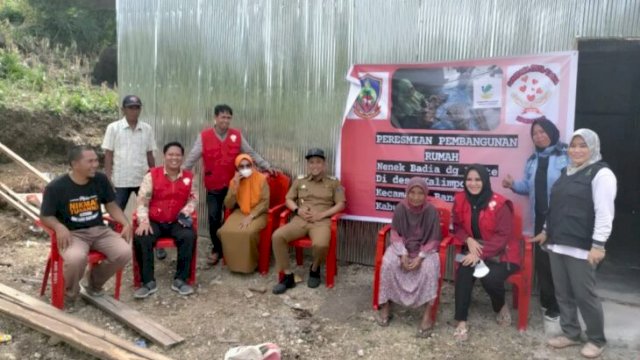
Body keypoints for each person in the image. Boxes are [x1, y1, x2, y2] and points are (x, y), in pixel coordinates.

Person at [532, 129, 616, 359]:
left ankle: (597, 339)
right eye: (573, 145)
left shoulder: (601, 174)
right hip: (558, 244)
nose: (576, 150)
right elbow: (555, 207)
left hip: (582, 247)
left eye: (582, 145)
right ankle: (571, 333)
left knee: (584, 295)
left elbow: (604, 213)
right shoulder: (565, 172)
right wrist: (545, 231)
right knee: (563, 293)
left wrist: (599, 245)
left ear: (593, 148)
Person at [39, 145, 132, 309]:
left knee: (124, 252)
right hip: (73, 234)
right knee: (76, 259)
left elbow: (111, 205)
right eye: (90, 161)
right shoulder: (56, 187)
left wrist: (126, 222)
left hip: (99, 231)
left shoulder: (100, 179)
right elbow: (45, 215)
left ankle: (93, 284)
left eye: (96, 160)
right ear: (75, 164)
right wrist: (59, 227)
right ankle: (70, 296)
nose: (95, 165)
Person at [184, 104, 274, 266]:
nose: (226, 120)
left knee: (236, 217)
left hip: (236, 185)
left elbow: (250, 153)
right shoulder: (204, 136)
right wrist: (181, 172)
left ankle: (236, 248)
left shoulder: (237, 135)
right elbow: (192, 157)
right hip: (214, 185)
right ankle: (217, 249)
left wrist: (265, 165)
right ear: (215, 118)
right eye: (223, 117)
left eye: (228, 117)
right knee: (213, 217)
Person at [502, 118, 568, 321]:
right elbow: (527, 188)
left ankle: (560, 305)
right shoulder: (533, 160)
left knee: (559, 262)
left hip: (561, 218)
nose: (539, 136)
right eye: (535, 134)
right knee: (543, 262)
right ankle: (547, 301)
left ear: (552, 132)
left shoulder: (565, 156)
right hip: (539, 219)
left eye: (542, 132)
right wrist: (513, 185)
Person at [451, 164, 520, 341]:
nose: (473, 184)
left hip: (501, 254)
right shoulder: (460, 200)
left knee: (488, 276)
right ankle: (461, 321)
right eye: (469, 179)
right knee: (464, 270)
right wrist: (468, 239)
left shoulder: (500, 204)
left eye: (477, 179)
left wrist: (479, 254)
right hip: (474, 249)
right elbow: (457, 226)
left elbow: (503, 236)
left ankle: (500, 306)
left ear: (485, 181)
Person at [271, 148, 345, 294]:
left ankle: (315, 268)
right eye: (311, 162)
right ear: (308, 165)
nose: (314, 165)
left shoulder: (333, 183)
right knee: (277, 236)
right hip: (300, 220)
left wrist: (323, 214)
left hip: (321, 221)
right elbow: (288, 199)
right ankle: (287, 276)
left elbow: (341, 204)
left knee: (321, 244)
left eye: (318, 162)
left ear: (324, 164)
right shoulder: (300, 180)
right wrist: (298, 210)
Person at [376, 177, 441, 337]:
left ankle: (427, 314)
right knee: (388, 262)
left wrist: (420, 257)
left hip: (425, 250)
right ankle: (385, 305)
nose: (416, 197)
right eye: (412, 192)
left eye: (420, 193)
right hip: (402, 247)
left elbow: (433, 238)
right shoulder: (400, 208)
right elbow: (396, 233)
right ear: (407, 192)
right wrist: (403, 253)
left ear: (426, 194)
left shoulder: (431, 211)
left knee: (429, 268)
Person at [132, 142, 198, 298]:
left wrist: (185, 212)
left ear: (182, 157)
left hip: (177, 220)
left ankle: (180, 280)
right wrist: (144, 220)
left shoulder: (189, 177)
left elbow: (193, 199)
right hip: (155, 220)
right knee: (142, 236)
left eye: (178, 155)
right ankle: (147, 282)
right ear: (164, 156)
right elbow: (142, 201)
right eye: (171, 154)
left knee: (188, 236)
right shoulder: (152, 175)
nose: (174, 158)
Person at [102, 95, 157, 210]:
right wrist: (108, 178)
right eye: (130, 107)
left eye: (137, 107)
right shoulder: (113, 128)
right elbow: (108, 154)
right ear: (123, 110)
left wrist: (155, 175)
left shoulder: (147, 129)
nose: (134, 111)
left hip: (142, 178)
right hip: (120, 180)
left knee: (148, 210)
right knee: (116, 212)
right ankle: (114, 229)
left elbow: (149, 155)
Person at [218, 154, 270, 273]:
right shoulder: (234, 181)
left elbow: (265, 202)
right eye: (241, 166)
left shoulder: (261, 179)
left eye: (248, 165)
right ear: (237, 169)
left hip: (259, 213)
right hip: (241, 212)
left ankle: (251, 265)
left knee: (248, 232)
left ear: (252, 165)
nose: (245, 169)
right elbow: (229, 205)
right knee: (224, 231)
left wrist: (251, 216)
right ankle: (234, 264)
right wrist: (235, 185)